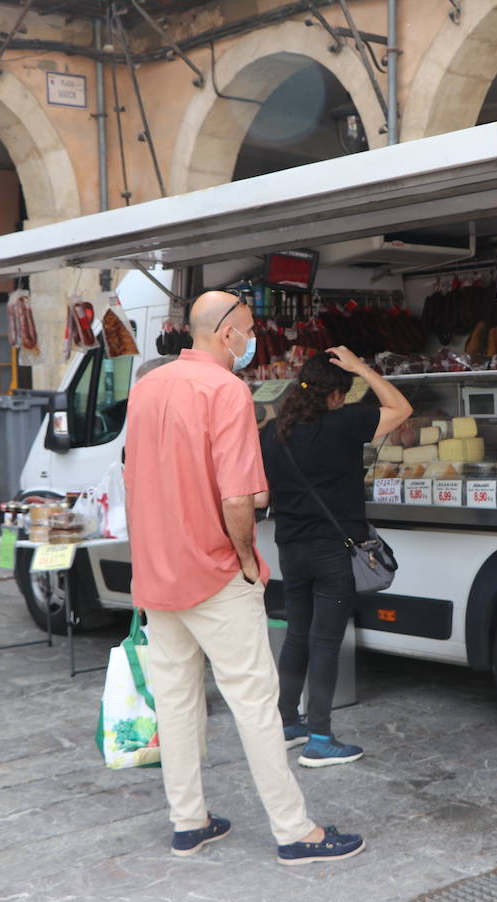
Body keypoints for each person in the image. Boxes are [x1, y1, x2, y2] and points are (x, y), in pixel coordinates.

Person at [123, 290, 364, 866]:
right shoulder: (226, 390)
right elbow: (238, 498)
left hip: (156, 570)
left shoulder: (146, 385)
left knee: (178, 701)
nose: (253, 338)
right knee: (256, 703)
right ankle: (294, 831)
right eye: (250, 327)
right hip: (211, 569)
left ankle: (189, 822)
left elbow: (135, 471)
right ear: (227, 332)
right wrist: (248, 560)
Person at [259, 349, 412, 768]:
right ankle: (320, 738)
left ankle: (288, 722)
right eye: (343, 393)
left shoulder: (272, 434)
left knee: (296, 636)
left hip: (290, 548)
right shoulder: (344, 424)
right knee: (326, 643)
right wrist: (362, 368)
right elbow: (401, 408)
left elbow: (262, 495)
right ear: (336, 395)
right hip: (333, 550)